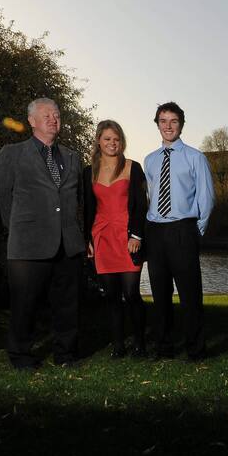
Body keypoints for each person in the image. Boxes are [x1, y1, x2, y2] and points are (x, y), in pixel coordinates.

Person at [0, 98, 83, 368]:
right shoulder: (12, 153)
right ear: (31, 121)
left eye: (56, 114)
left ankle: (65, 355)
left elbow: (77, 199)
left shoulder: (72, 156)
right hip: (27, 244)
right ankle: (21, 356)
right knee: (25, 305)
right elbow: (4, 198)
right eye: (46, 115)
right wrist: (21, 227)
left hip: (67, 243)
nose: (53, 119)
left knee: (67, 305)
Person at [142, 102, 215, 360]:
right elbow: (150, 196)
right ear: (158, 124)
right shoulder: (149, 161)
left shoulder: (196, 157)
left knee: (190, 295)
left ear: (181, 124)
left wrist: (195, 231)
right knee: (160, 295)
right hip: (156, 232)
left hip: (183, 230)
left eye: (173, 121)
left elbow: (206, 199)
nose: (168, 126)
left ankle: (196, 349)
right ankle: (164, 347)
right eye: (163, 121)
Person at [82, 120, 148, 358]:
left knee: (131, 293)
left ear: (122, 142)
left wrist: (137, 235)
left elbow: (142, 206)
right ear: (99, 140)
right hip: (102, 237)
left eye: (116, 139)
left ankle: (140, 344)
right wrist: (86, 238)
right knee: (111, 296)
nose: (112, 143)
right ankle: (118, 346)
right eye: (107, 138)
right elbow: (87, 209)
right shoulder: (88, 171)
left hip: (128, 237)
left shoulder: (133, 167)